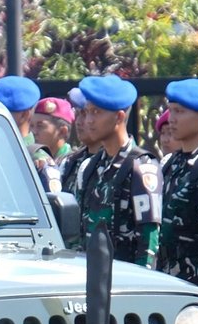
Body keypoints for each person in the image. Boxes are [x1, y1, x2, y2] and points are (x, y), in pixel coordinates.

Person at [61, 75, 160, 268]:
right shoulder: (89, 166)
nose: (89, 120)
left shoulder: (141, 166)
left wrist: (143, 281)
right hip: (90, 274)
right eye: (87, 112)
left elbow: (149, 241)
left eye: (96, 112)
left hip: (126, 278)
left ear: (119, 117)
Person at [154, 79, 198, 294]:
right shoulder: (169, 163)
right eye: (171, 110)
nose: (171, 119)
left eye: (179, 112)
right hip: (167, 278)